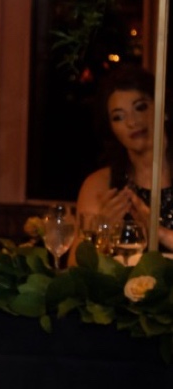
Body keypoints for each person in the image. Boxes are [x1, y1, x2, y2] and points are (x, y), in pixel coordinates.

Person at [74, 64, 173, 254]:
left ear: (164, 109)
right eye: (118, 117)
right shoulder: (100, 186)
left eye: (140, 107)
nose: (132, 122)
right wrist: (102, 232)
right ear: (111, 128)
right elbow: (75, 271)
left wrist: (159, 233)